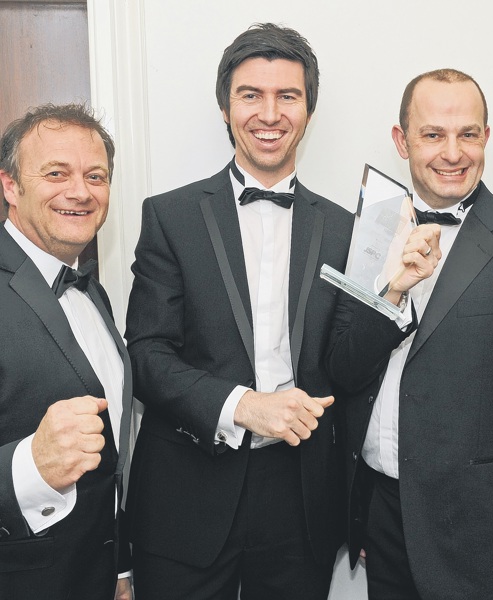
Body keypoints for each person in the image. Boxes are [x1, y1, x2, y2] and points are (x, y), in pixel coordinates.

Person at [326, 68, 493, 600]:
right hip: (382, 516)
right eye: (432, 134)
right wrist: (393, 292)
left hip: (482, 536)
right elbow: (343, 369)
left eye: (468, 134)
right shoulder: (372, 225)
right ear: (401, 141)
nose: (453, 152)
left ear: (486, 137)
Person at [124, 23, 353, 599]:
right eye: (251, 95)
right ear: (225, 105)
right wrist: (243, 406)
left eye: (288, 96)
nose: (269, 113)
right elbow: (148, 358)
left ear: (309, 110)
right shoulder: (168, 217)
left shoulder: (348, 230)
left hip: (303, 502)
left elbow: (352, 367)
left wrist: (395, 290)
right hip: (188, 492)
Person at [0, 104, 133, 599]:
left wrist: (119, 570)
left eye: (95, 176)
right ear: (11, 186)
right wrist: (30, 465)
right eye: (57, 173)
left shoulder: (88, 288)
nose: (80, 192)